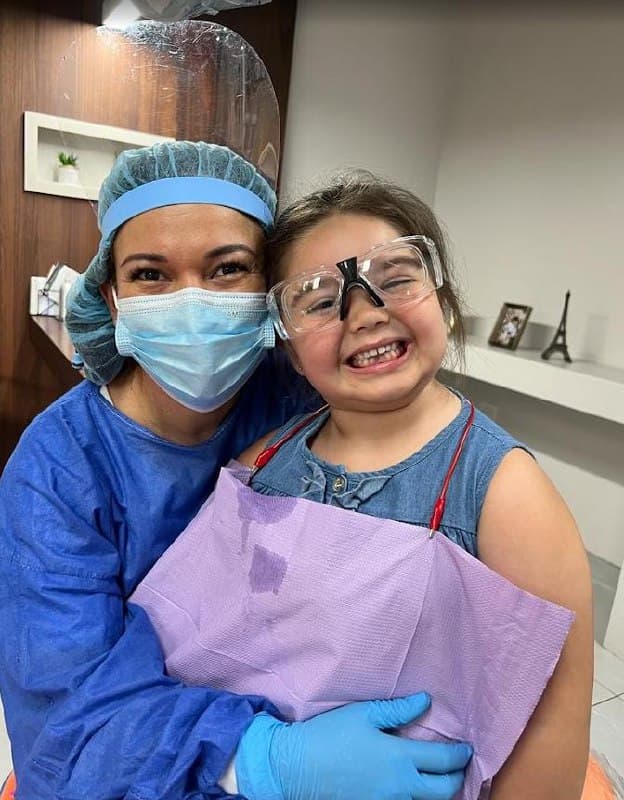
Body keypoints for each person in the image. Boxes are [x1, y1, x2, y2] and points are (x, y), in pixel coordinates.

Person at [0, 145, 472, 800]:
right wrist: (262, 758)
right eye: (150, 274)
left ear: (271, 292)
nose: (192, 301)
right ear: (111, 297)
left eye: (228, 268)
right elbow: (65, 725)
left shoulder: (301, 401)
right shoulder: (59, 467)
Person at [131, 171, 594, 800]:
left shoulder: (507, 498)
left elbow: (547, 750)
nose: (367, 313)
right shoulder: (264, 461)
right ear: (290, 348)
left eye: (396, 278)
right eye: (319, 300)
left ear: (443, 298)